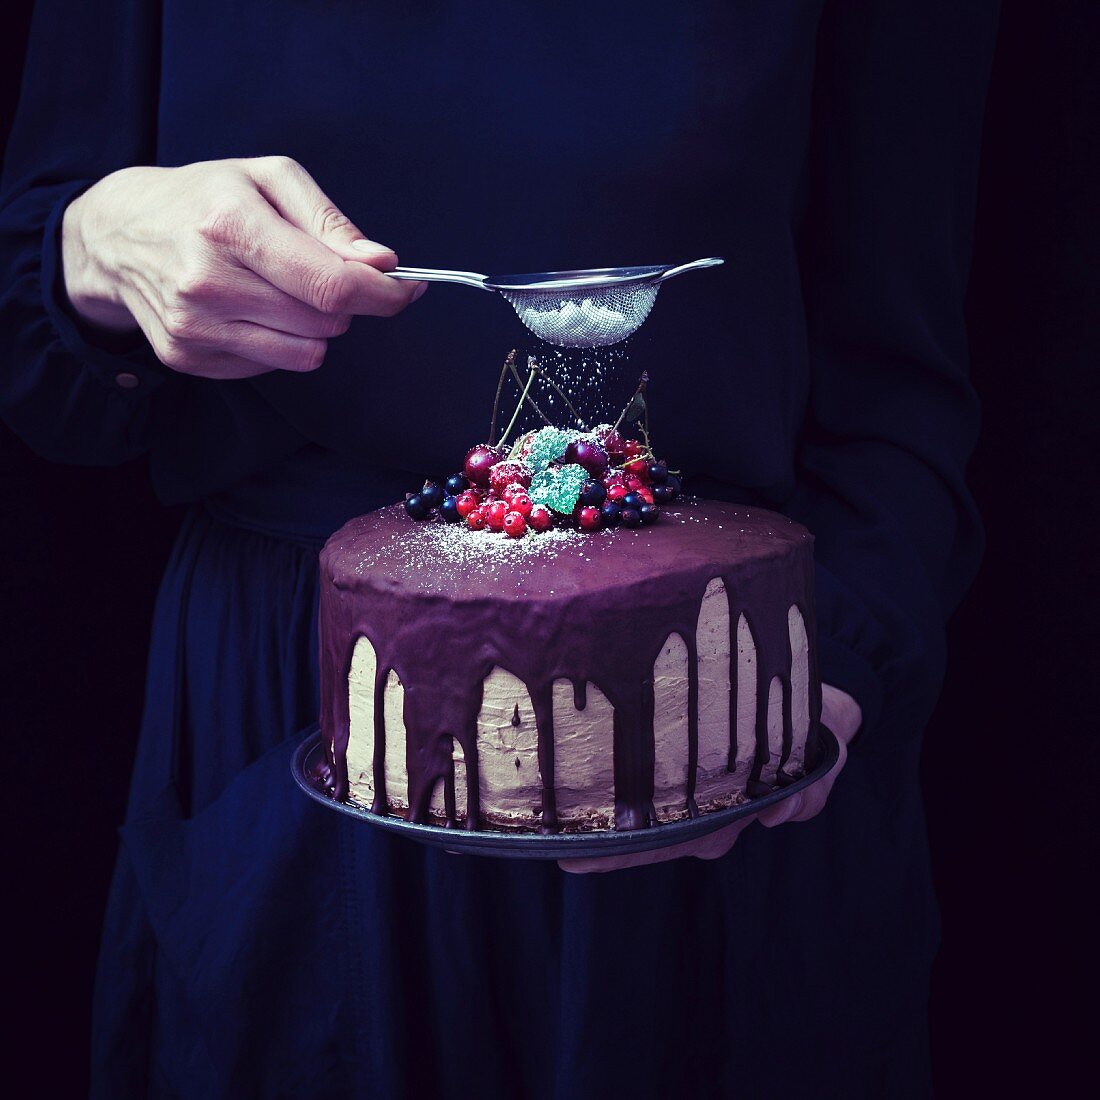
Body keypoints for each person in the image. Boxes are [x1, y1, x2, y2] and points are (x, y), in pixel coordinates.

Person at [0, 2, 998, 1096]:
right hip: (307, 698)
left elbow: (900, 388)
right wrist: (90, 250)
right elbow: (37, 351)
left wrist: (826, 672)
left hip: (701, 688)